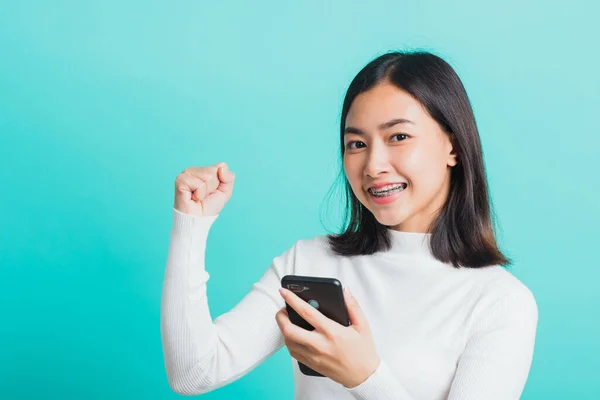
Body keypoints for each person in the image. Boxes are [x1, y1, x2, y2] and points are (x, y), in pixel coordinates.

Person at [160, 50, 539, 400]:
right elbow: (194, 372)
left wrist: (364, 376)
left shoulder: (500, 302)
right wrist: (191, 226)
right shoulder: (308, 262)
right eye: (356, 144)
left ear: (452, 148)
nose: (373, 165)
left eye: (399, 137)